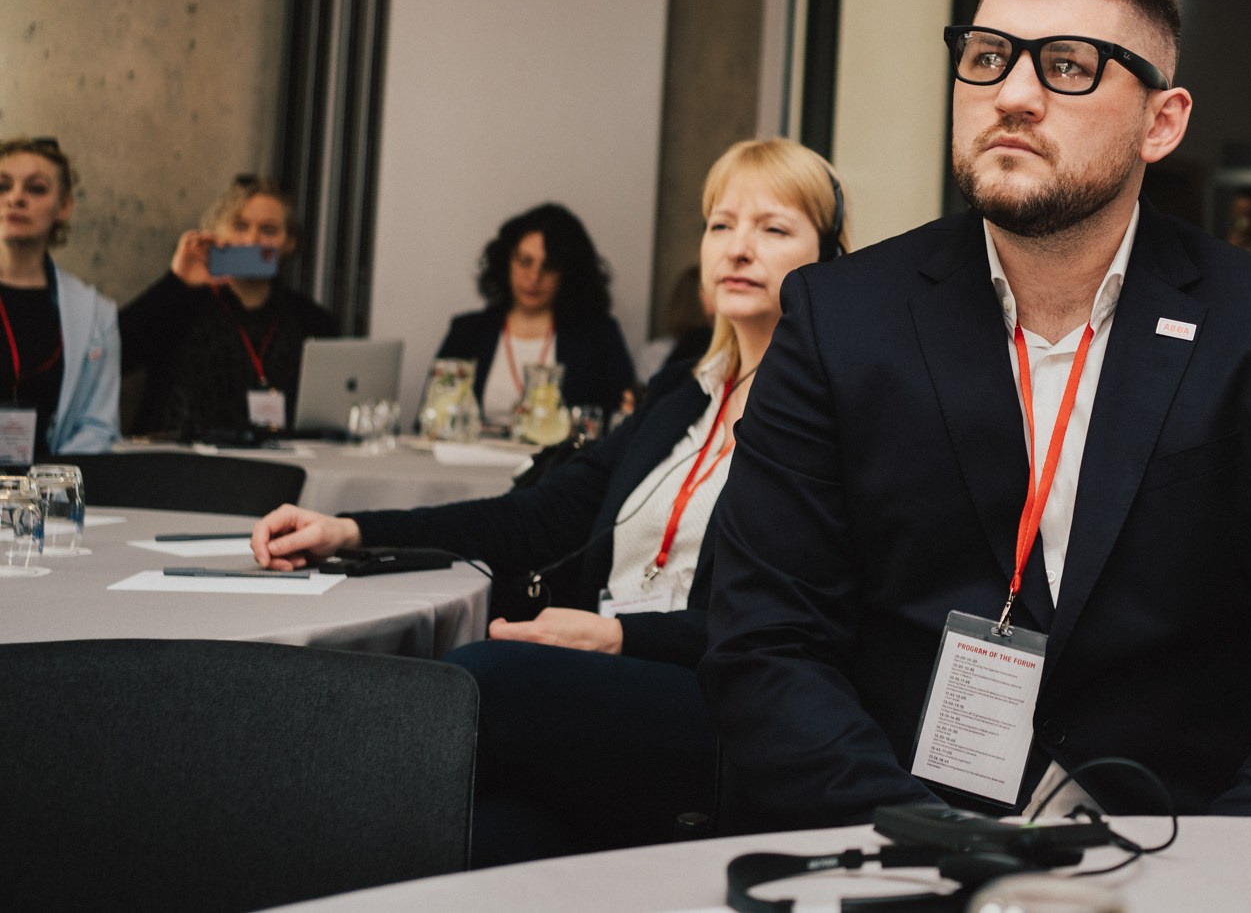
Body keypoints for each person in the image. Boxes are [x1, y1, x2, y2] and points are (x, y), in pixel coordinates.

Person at [700, 0, 1251, 834]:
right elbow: (766, 639)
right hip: (896, 840)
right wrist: (920, 843)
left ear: (1162, 121)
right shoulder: (842, 318)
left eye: (1070, 66)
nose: (1011, 96)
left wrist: (1221, 873)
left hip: (1176, 846)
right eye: (988, 57)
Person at [250, 138, 848, 865]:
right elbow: (535, 513)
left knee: (478, 677)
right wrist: (348, 526)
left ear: (829, 258)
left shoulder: (832, 411)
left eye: (773, 228)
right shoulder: (685, 391)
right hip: (603, 684)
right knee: (471, 837)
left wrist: (623, 636)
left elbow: (811, 621)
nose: (738, 248)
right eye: (721, 225)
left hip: (716, 696)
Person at [120, 176, 336, 437]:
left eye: (268, 230)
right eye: (240, 226)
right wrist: (176, 282)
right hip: (181, 461)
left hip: (278, 463)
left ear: (289, 242)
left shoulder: (311, 320)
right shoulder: (182, 303)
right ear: (217, 232)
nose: (252, 240)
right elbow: (116, 354)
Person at [436, 203, 638, 424]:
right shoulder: (467, 331)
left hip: (563, 459)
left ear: (568, 273)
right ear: (506, 262)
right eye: (525, 262)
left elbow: (621, 420)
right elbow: (433, 418)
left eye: (548, 267)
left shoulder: (597, 335)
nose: (534, 277)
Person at [0, 138, 118, 458]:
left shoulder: (96, 313)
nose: (16, 198)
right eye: (3, 186)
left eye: (36, 188)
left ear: (63, 207)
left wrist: (47, 485)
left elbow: (99, 426)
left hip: (46, 495)